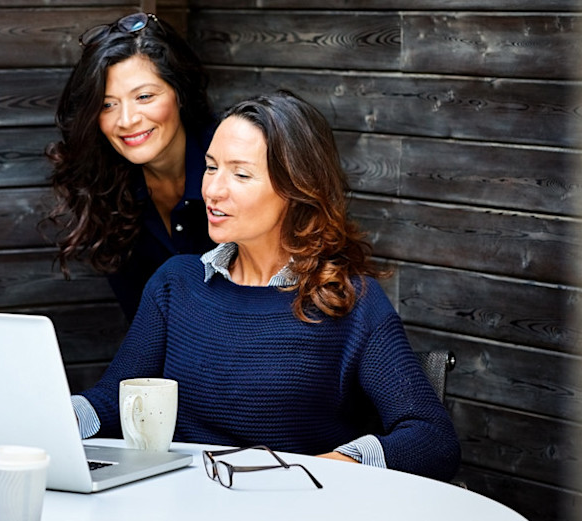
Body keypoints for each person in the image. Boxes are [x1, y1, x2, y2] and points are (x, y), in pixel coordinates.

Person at [71, 91, 461, 481]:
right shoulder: (176, 284)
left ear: (296, 190)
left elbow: (432, 438)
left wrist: (323, 469)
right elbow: (110, 403)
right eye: (210, 168)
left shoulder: (349, 300)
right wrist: (45, 416)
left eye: (240, 174)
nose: (212, 191)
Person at [45, 12, 217, 321]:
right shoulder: (107, 188)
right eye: (108, 104)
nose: (126, 120)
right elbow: (145, 326)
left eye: (144, 96)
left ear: (180, 93)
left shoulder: (235, 164)